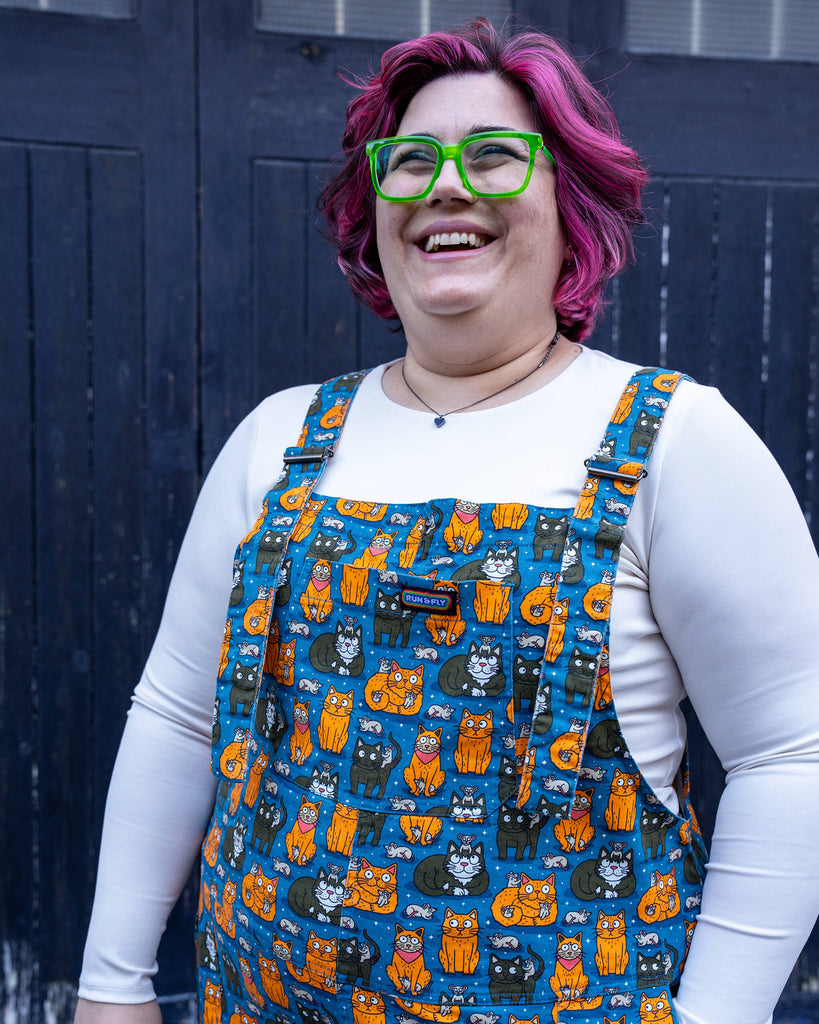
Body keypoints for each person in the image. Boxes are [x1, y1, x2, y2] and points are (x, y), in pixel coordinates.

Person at [75, 20, 819, 1024]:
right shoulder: (278, 442)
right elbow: (177, 716)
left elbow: (792, 757)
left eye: (497, 156)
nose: (444, 185)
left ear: (573, 207)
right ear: (374, 210)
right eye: (411, 160)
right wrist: (111, 984)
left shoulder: (674, 445)